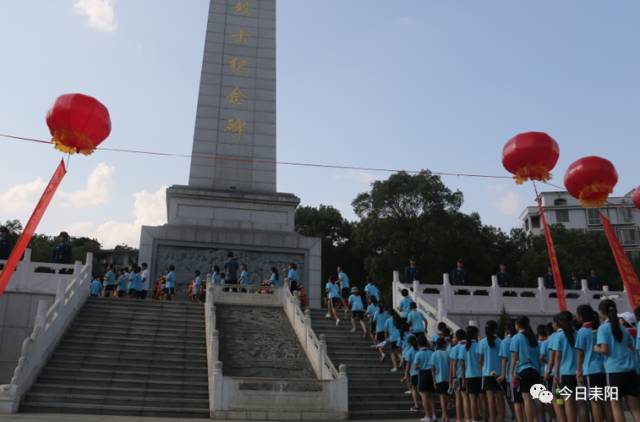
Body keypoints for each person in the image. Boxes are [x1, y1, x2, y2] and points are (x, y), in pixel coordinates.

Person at [595, 299, 640, 422]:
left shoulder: (603, 328)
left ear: (602, 312)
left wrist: (596, 348)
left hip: (614, 371)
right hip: (630, 369)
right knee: (635, 408)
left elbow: (604, 349)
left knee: (616, 405)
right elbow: (631, 347)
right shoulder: (623, 328)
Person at [575, 304, 610, 422]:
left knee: (595, 402)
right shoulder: (599, 329)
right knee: (606, 401)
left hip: (590, 370)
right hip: (604, 369)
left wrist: (578, 370)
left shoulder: (582, 332)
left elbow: (580, 354)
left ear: (580, 317)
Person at [510, 316, 540, 422]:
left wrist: (512, 373)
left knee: (526, 399)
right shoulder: (532, 337)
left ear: (517, 325)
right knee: (533, 400)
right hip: (535, 371)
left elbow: (514, 357)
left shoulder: (516, 338)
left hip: (524, 370)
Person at [550, 311, 578, 422]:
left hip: (565, 374)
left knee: (567, 402)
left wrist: (556, 375)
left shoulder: (558, 336)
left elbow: (557, 357)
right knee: (577, 403)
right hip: (578, 373)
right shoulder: (578, 333)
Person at [479, 320, 504, 422]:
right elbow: (503, 359)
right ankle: (502, 420)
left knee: (490, 400)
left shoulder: (482, 342)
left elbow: (480, 360)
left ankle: (492, 419)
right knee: (500, 399)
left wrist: (484, 369)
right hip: (499, 374)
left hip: (487, 374)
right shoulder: (500, 342)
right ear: (496, 329)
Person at [499, 320, 523, 422]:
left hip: (512, 376)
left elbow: (504, 359)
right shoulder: (523, 338)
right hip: (523, 372)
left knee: (515, 400)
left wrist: (504, 374)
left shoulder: (505, 341)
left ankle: (517, 418)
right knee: (525, 400)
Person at [461, 325, 483, 422]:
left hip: (469, 375)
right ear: (475, 334)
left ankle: (474, 419)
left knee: (472, 399)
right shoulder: (479, 345)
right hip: (480, 375)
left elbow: (462, 365)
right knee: (482, 398)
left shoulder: (464, 348)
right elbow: (482, 361)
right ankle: (483, 417)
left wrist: (463, 378)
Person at [414, 336, 436, 422]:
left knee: (424, 396)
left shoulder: (418, 353)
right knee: (431, 396)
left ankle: (427, 416)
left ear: (419, 344)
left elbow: (415, 366)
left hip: (423, 374)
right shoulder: (431, 352)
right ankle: (434, 415)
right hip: (431, 373)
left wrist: (421, 366)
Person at [450, 329, 470, 422]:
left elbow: (454, 364)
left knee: (458, 398)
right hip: (469, 374)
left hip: (458, 376)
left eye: (454, 336)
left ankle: (459, 418)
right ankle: (467, 418)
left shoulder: (455, 348)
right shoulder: (468, 345)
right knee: (466, 398)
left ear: (457, 337)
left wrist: (453, 377)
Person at [430, 337, 450, 422]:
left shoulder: (434, 354)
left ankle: (445, 415)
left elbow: (433, 369)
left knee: (442, 397)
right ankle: (444, 415)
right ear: (444, 344)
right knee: (447, 397)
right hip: (448, 378)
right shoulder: (447, 353)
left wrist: (434, 381)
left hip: (439, 378)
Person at [401, 334, 421, 413]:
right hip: (421, 373)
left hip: (413, 373)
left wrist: (406, 375)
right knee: (421, 390)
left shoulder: (409, 352)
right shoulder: (420, 350)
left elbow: (407, 365)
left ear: (409, 343)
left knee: (413, 390)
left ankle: (416, 405)